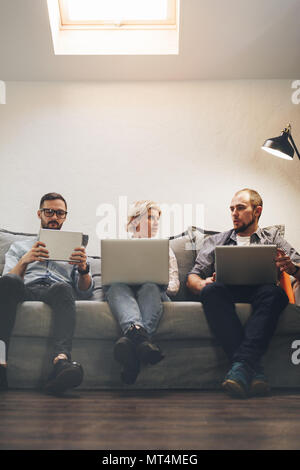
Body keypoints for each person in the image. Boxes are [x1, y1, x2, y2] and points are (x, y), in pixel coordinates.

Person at [187, 188, 300, 398]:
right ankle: (252, 368)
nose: (234, 213)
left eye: (240, 208)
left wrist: (292, 269)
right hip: (225, 292)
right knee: (211, 291)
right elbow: (192, 277)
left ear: (257, 211)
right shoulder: (216, 241)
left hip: (262, 291)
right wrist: (203, 283)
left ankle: (241, 367)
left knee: (276, 294)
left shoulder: (273, 238)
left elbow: (297, 267)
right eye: (231, 209)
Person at [0, 193, 94, 394]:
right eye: (49, 212)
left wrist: (83, 269)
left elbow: (85, 292)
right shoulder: (19, 247)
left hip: (57, 291)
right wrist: (25, 261)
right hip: (25, 288)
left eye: (59, 213)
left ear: (65, 217)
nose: (54, 217)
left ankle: (61, 363)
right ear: (39, 214)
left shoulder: (75, 248)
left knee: (63, 287)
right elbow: (7, 283)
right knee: (9, 281)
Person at [105, 200, 180, 385]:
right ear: (135, 221)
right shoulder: (119, 247)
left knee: (149, 286)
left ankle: (133, 340)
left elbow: (174, 286)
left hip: (153, 293)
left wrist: (157, 280)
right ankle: (140, 343)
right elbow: (108, 280)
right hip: (124, 293)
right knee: (115, 287)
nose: (155, 222)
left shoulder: (165, 248)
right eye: (151, 217)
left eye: (157, 219)